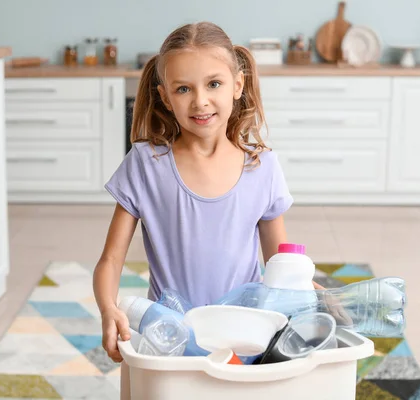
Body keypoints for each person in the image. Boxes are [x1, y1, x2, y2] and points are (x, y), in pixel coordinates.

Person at [93, 21, 322, 363]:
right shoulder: (145, 164)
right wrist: (108, 309)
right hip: (170, 338)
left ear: (237, 85)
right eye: (183, 89)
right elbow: (111, 259)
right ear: (165, 98)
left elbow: (280, 268)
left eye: (213, 84)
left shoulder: (263, 168)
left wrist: (311, 294)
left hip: (245, 337)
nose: (200, 101)